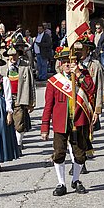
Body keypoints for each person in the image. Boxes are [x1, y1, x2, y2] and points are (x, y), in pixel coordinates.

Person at [41, 47, 95, 196]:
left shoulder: (83, 75)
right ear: (60, 64)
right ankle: (61, 183)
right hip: (60, 123)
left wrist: (77, 74)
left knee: (79, 153)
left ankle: (76, 180)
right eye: (64, 61)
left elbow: (91, 89)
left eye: (70, 61)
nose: (67, 64)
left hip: (79, 122)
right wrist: (44, 126)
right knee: (59, 152)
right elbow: (48, 106)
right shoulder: (54, 82)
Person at [1, 44, 36, 152]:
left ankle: (18, 144)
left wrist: (32, 102)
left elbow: (31, 84)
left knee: (19, 123)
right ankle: (8, 144)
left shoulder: (25, 66)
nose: (12, 58)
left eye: (15, 55)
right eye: (10, 56)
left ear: (18, 55)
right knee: (6, 122)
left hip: (20, 97)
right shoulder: (3, 68)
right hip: (5, 97)